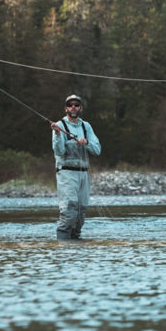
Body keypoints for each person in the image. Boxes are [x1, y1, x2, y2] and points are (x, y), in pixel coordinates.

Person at [50, 94, 101, 240]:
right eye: (70, 105)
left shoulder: (86, 126)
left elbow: (97, 150)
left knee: (81, 213)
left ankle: (76, 247)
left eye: (76, 105)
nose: (73, 107)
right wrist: (58, 134)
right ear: (66, 108)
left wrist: (87, 143)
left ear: (80, 108)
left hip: (83, 174)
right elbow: (59, 151)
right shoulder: (60, 126)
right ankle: (64, 247)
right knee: (69, 210)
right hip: (66, 173)